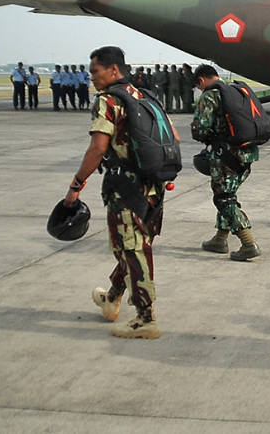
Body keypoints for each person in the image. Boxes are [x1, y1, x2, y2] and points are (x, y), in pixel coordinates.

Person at [63, 45, 175, 338]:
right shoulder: (147, 96)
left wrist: (75, 186)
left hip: (126, 187)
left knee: (132, 249)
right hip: (154, 186)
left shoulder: (109, 101)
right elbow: (173, 136)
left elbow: (98, 148)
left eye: (95, 72)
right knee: (134, 245)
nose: (92, 78)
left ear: (113, 70)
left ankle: (145, 319)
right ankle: (112, 298)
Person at [192, 64, 261, 261]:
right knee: (228, 194)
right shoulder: (236, 91)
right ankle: (220, 239)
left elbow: (200, 129)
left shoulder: (210, 95)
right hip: (248, 153)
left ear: (202, 80)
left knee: (223, 198)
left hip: (226, 155)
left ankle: (248, 243)